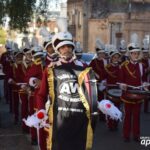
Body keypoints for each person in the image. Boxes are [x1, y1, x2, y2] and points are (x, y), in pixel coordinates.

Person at [37, 24, 97, 150]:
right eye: (63, 47)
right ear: (58, 50)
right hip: (59, 120)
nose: (66, 49)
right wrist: (42, 111)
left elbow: (91, 93)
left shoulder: (84, 68)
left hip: (79, 120)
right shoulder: (50, 69)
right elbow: (41, 94)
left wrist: (99, 104)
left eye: (69, 46)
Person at [119, 42, 148, 142]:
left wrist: (145, 84)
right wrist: (122, 85)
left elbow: (143, 79)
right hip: (127, 94)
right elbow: (120, 80)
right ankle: (126, 135)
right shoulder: (123, 66)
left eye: (137, 53)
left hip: (138, 94)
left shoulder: (141, 66)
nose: (136, 55)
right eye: (134, 53)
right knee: (127, 115)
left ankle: (136, 135)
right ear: (130, 54)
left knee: (136, 116)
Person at [104, 48, 121, 130]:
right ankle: (110, 124)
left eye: (117, 57)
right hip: (110, 89)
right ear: (111, 58)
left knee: (117, 107)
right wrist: (104, 82)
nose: (116, 59)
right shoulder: (107, 67)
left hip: (118, 89)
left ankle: (116, 123)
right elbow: (104, 77)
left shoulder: (121, 67)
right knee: (110, 107)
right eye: (114, 57)